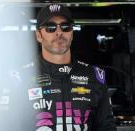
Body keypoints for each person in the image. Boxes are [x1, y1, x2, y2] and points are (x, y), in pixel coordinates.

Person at [26, 3, 117, 131]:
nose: (59, 32)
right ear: (39, 35)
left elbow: (107, 127)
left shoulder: (94, 76)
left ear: (72, 34)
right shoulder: (20, 79)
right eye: (50, 27)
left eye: (65, 27)